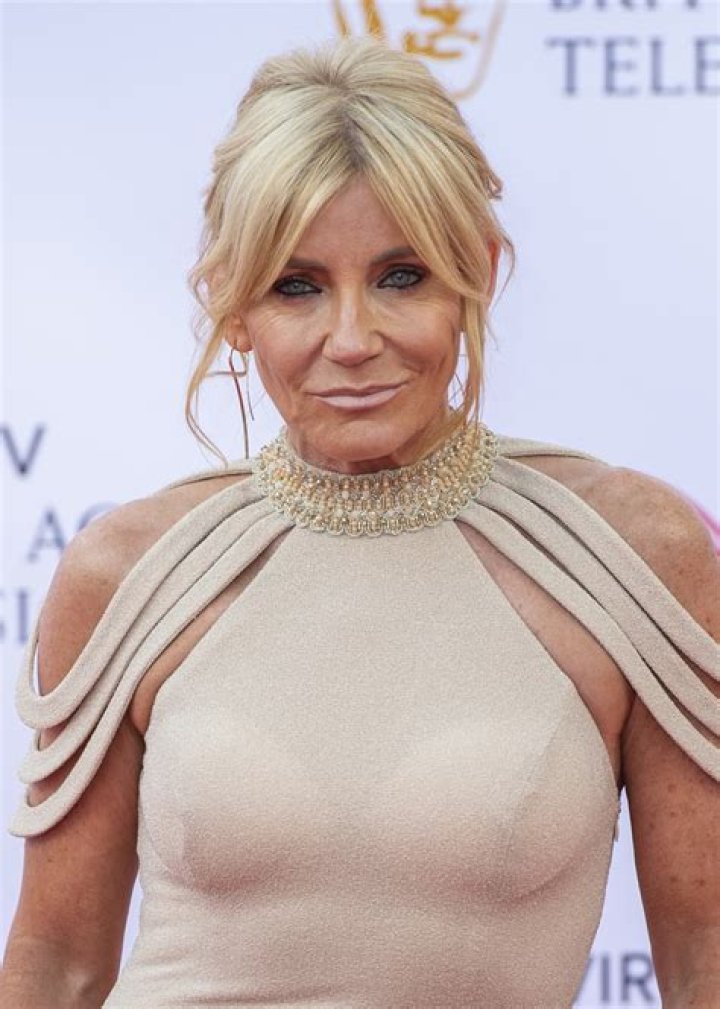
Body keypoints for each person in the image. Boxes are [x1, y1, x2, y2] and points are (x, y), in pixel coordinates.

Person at [1, 32, 718, 1009]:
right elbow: (58, 964)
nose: (351, 338)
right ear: (233, 304)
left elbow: (704, 958)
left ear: (478, 273)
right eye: (297, 286)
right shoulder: (127, 573)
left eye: (400, 276)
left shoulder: (633, 557)